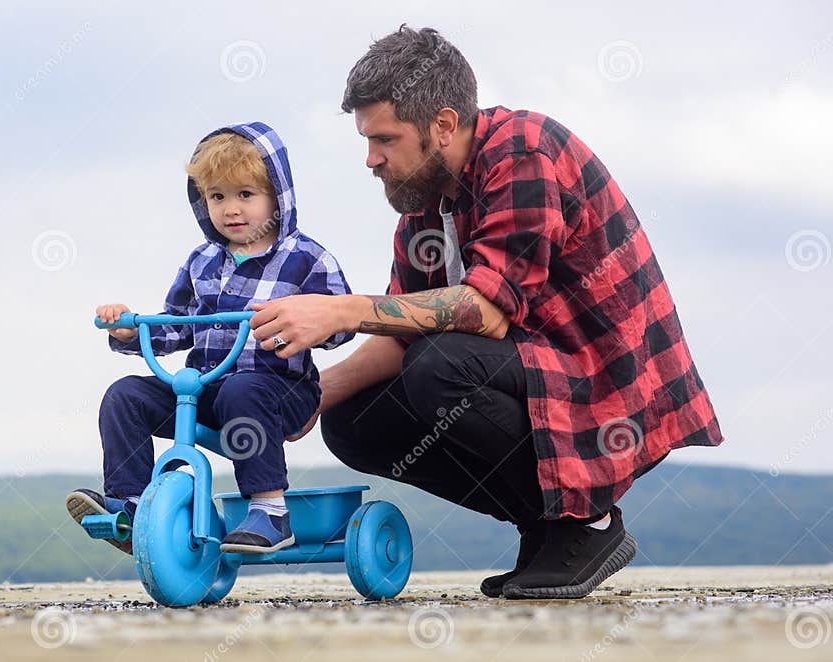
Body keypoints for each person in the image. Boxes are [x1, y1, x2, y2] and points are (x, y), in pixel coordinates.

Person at [246, 26, 724, 599]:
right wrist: (308, 396)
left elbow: (486, 312)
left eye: (384, 139)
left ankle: (586, 522)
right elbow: (401, 331)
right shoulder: (425, 201)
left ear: (443, 125)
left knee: (439, 366)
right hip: (530, 375)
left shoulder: (523, 150)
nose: (370, 159)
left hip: (604, 385)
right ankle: (548, 528)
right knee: (352, 423)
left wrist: (341, 311)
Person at [67, 122, 354, 555]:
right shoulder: (202, 261)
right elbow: (179, 322)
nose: (230, 209)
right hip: (207, 387)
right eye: (217, 196)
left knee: (245, 388)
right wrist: (130, 329)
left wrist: (316, 322)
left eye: (246, 194)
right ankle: (132, 504)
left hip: (283, 391)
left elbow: (342, 323)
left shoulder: (307, 259)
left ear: (278, 196)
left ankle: (270, 510)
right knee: (125, 395)